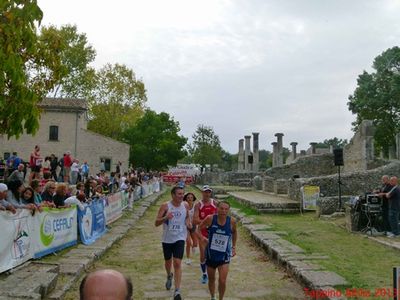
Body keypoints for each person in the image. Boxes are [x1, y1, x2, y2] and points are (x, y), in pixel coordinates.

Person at [155, 186, 191, 300]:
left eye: (182, 194)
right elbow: (156, 223)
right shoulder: (165, 206)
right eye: (179, 194)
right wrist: (166, 217)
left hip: (180, 237)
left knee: (177, 263)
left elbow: (187, 217)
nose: (181, 196)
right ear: (173, 195)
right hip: (167, 239)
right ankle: (169, 275)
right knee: (168, 261)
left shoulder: (185, 205)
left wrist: (188, 223)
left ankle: (177, 291)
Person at [197, 201, 237, 300]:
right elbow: (198, 228)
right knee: (211, 279)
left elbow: (234, 232)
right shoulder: (210, 219)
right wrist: (202, 238)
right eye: (221, 208)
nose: (223, 211)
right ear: (217, 209)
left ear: (228, 210)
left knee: (222, 281)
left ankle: (221, 298)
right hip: (211, 254)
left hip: (224, 256)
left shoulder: (232, 221)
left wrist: (234, 247)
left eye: (226, 209)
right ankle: (212, 296)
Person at [193, 185, 217, 284]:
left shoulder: (214, 203)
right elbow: (195, 220)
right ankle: (204, 274)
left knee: (213, 254)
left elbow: (220, 216)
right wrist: (206, 221)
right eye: (205, 192)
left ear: (210, 193)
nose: (207, 194)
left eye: (208, 192)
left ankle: (212, 272)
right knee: (203, 254)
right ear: (202, 193)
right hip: (202, 232)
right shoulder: (198, 205)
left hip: (214, 233)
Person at [183, 192, 198, 265]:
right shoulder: (183, 206)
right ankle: (188, 258)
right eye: (188, 198)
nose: (189, 199)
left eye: (191, 197)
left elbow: (196, 216)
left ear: (193, 198)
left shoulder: (195, 206)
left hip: (194, 225)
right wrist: (187, 223)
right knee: (188, 242)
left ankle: (193, 247)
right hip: (185, 226)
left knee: (195, 243)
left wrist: (192, 223)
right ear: (185, 198)